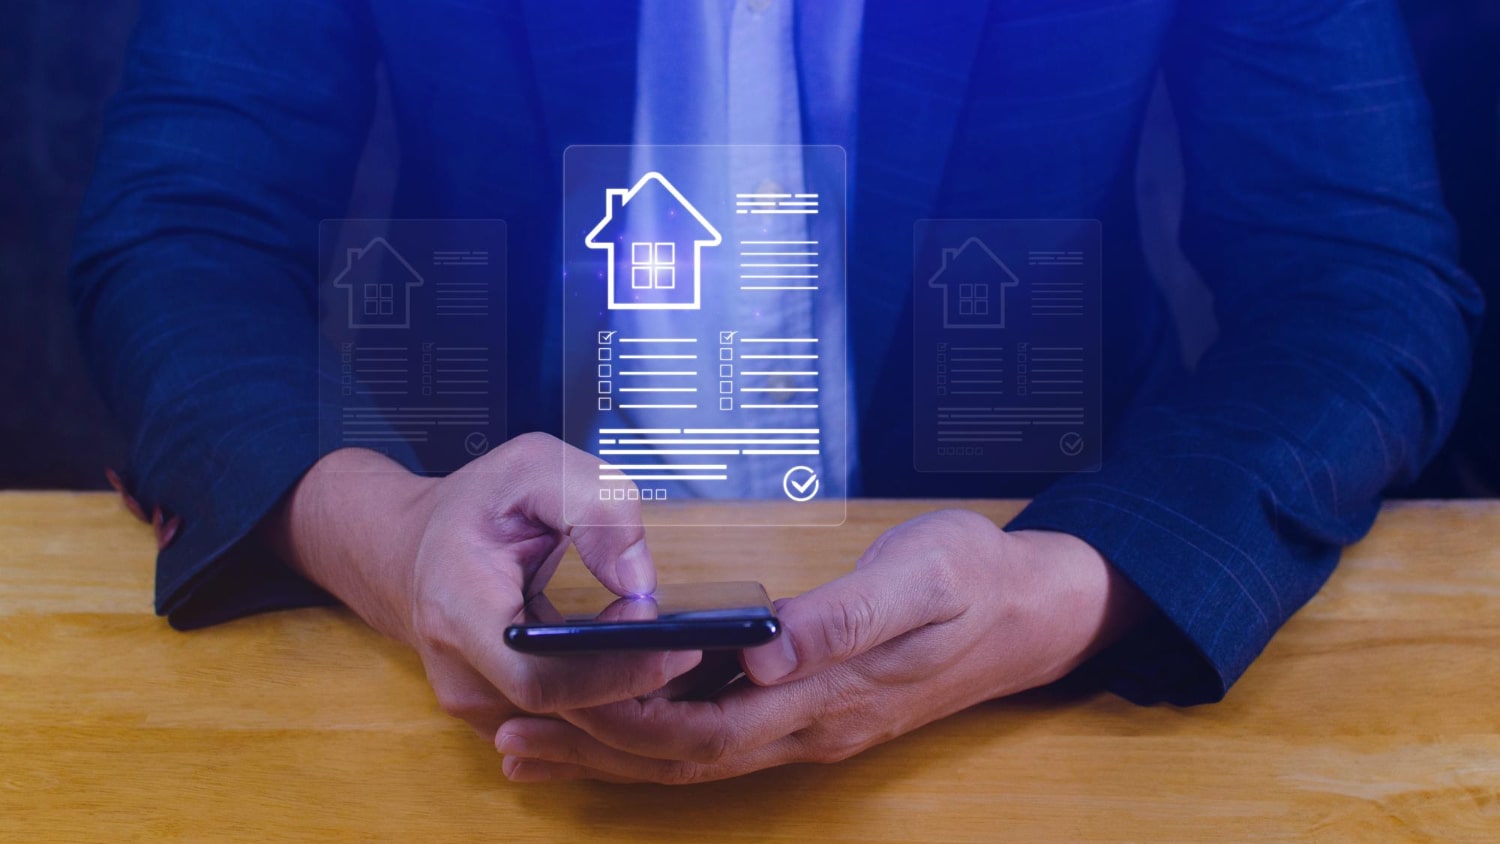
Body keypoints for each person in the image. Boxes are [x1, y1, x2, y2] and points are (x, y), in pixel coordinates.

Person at [70, 0, 1480, 784]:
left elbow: (1358, 276)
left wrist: (1075, 584)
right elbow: (182, 224)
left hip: (1038, 707)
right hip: (453, 705)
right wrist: (394, 534)